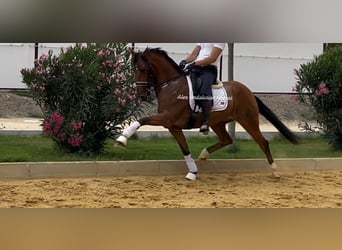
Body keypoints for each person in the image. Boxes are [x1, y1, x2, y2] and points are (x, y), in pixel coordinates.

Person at [179, 43, 226, 135]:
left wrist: (195, 64)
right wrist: (184, 61)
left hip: (209, 69)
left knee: (204, 91)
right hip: (196, 68)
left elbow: (212, 58)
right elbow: (194, 55)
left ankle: (206, 122)